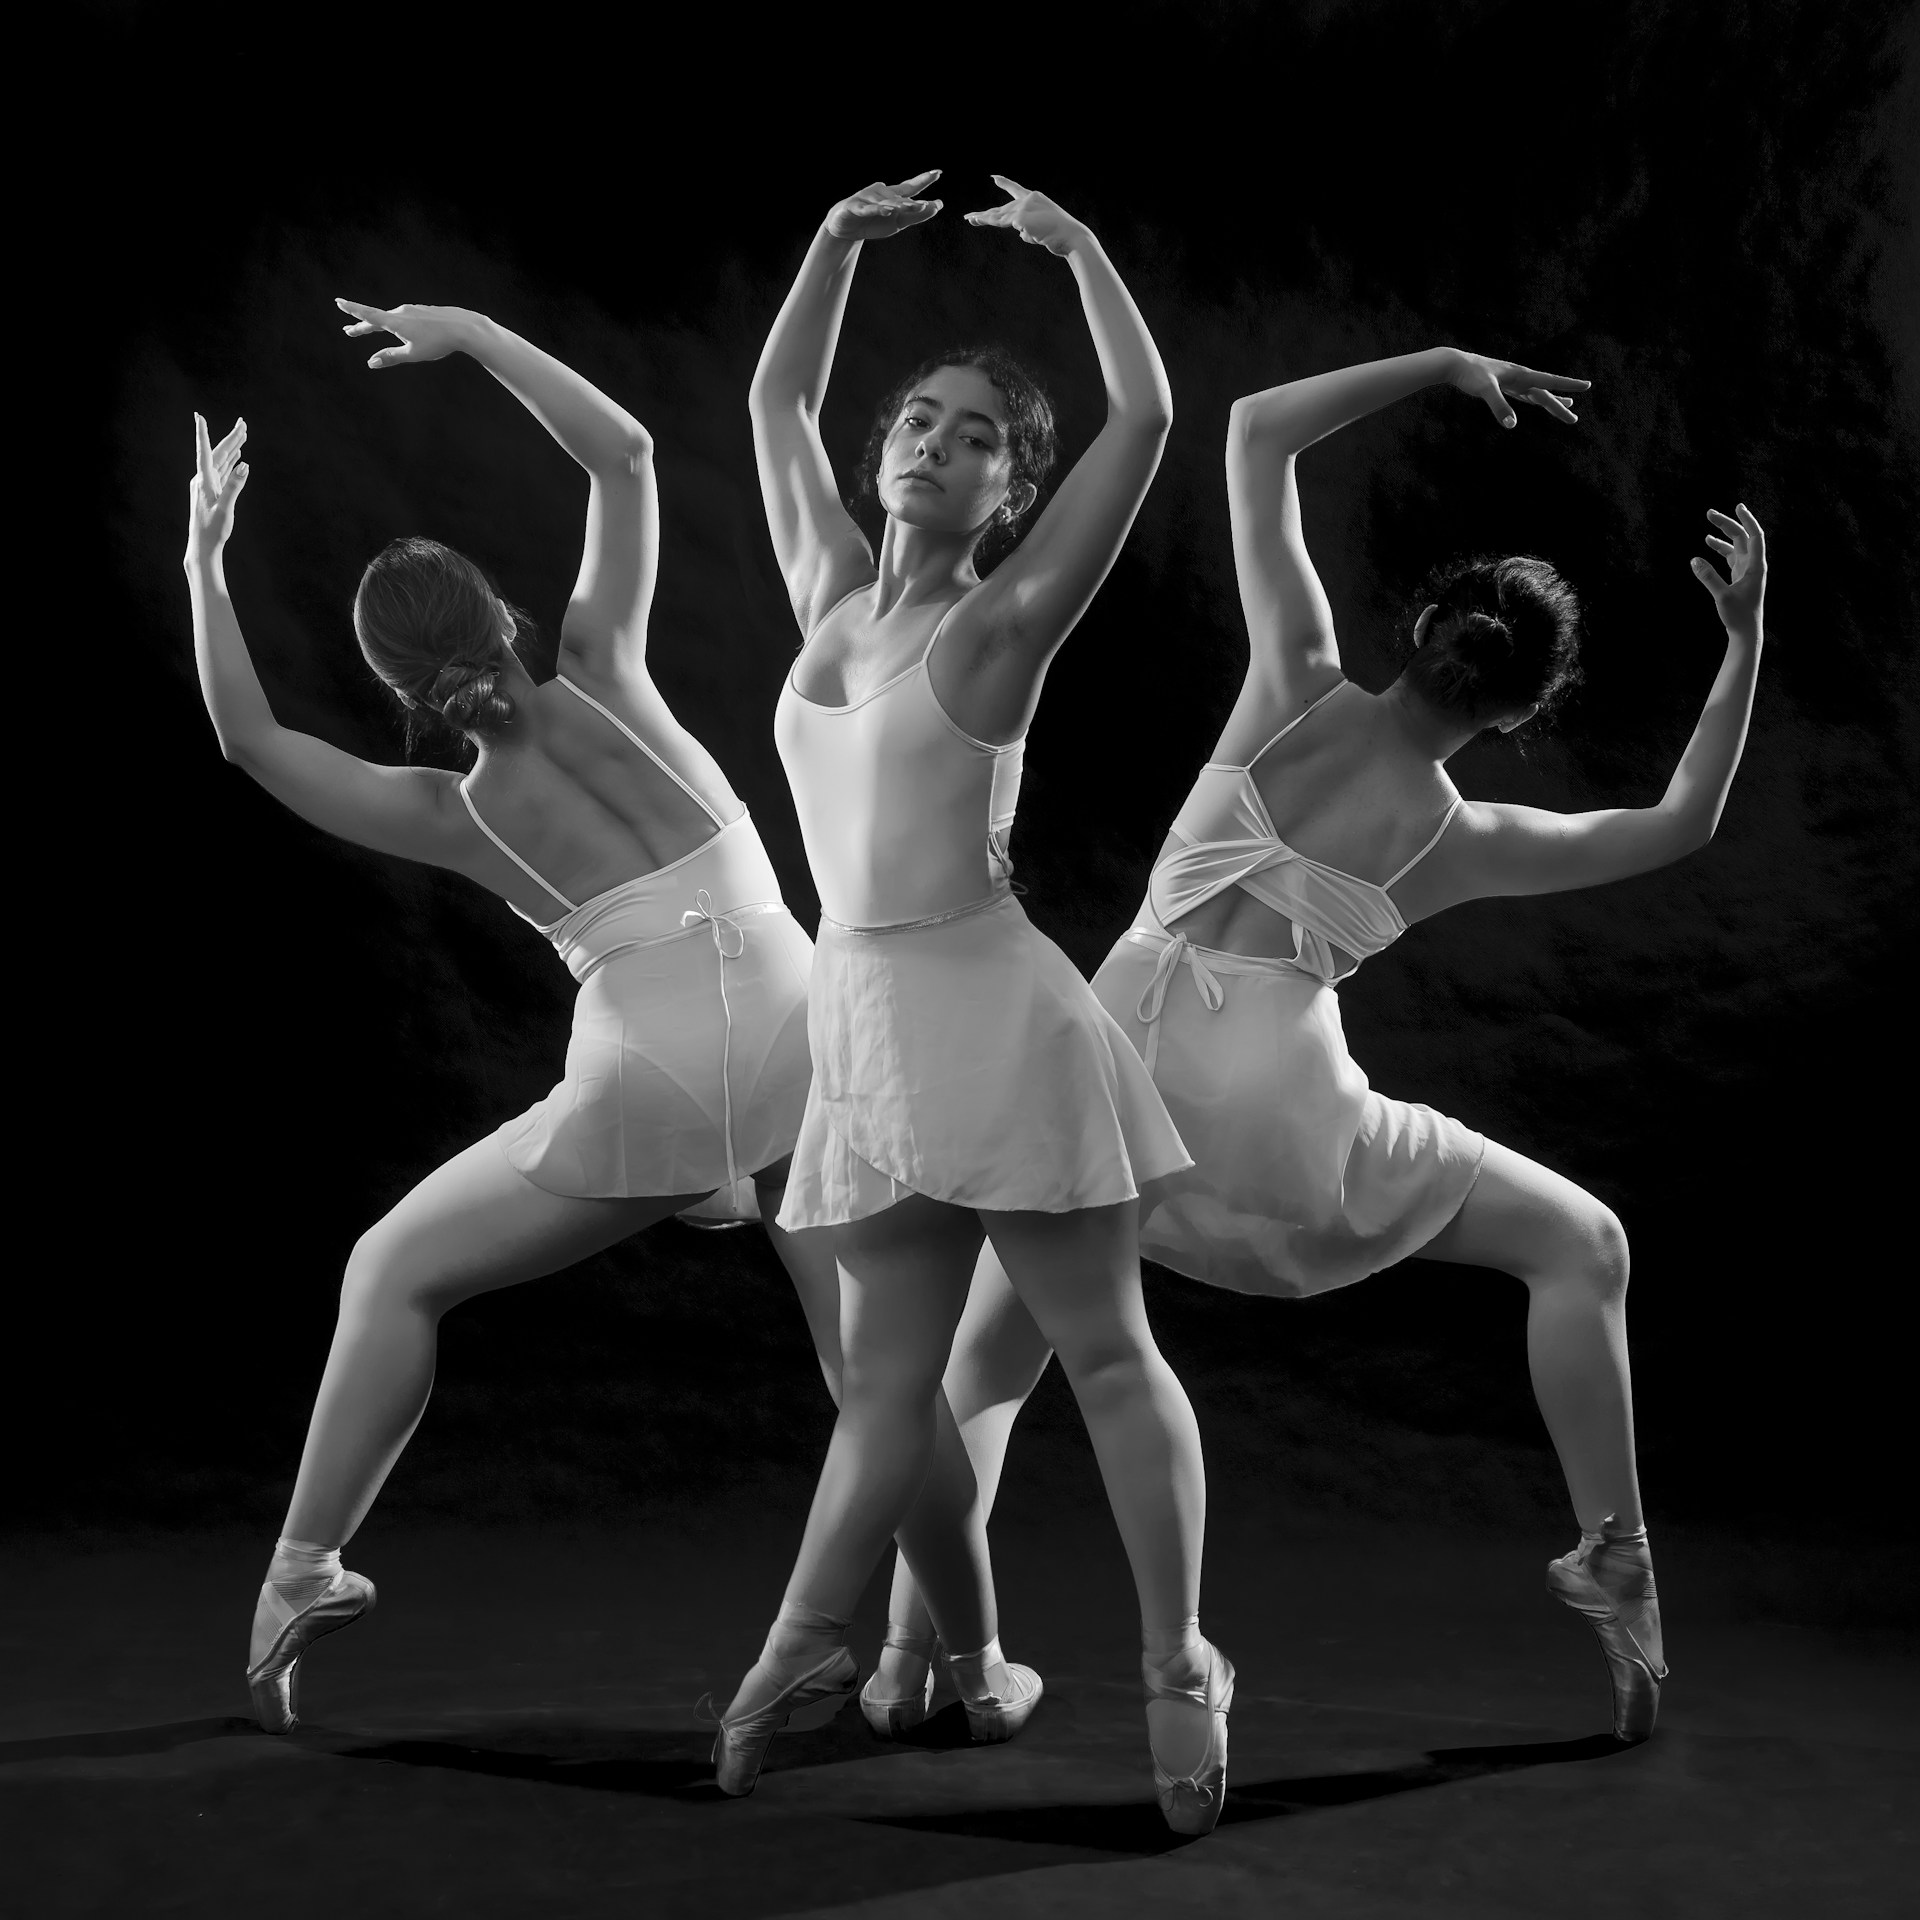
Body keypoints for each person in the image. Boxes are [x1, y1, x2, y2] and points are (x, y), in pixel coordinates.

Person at [885, 345, 1768, 1747]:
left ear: (1417, 627)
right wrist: (1744, 641)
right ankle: (1616, 1556)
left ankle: (919, 1655)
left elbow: (1250, 432)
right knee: (1582, 1246)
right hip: (1279, 1107)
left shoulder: (1288, 684)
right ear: (1520, 712)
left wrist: (1445, 366)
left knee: (994, 1356)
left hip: (1107, 1053)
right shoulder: (1459, 839)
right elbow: (1679, 825)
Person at [184, 303, 838, 1733]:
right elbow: (628, 455)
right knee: (872, 1371)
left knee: (392, 1271)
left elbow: (247, 740)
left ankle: (301, 1568)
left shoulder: (452, 808)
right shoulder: (611, 667)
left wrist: (202, 554)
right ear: (498, 610)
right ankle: (906, 1646)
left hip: (652, 1080)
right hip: (808, 1030)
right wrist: (472, 333)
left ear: (399, 689)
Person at [709, 173, 1231, 1836]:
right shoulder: (827, 601)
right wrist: (831, 250)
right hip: (865, 1020)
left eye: (977, 437)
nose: (936, 443)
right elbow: (774, 396)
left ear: (1013, 492)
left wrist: (1081, 250)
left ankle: (1176, 1668)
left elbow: (1147, 414)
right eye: (919, 423)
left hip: (996, 1012)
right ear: (885, 456)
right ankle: (798, 1654)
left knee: (1105, 1350)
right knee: (892, 1388)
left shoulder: (1005, 621)